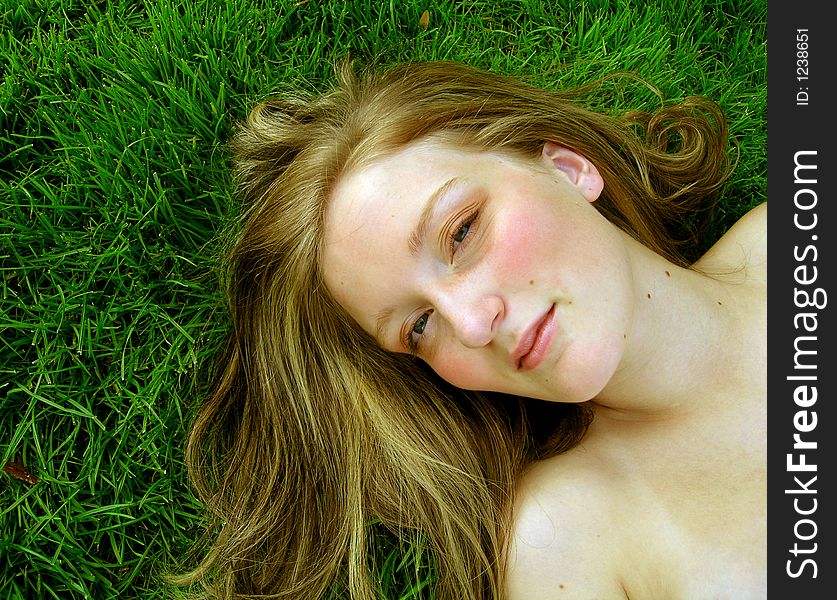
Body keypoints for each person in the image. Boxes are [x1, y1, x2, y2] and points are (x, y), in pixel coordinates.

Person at [177, 60, 766, 599]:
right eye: (420, 326)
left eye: (460, 233)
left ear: (567, 168)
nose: (471, 323)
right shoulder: (566, 541)